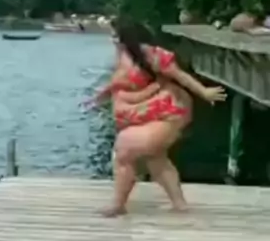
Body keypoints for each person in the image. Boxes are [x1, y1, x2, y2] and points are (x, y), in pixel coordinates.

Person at [85, 16, 227, 216]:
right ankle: (179, 204)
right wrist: (101, 97)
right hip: (148, 111)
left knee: (124, 149)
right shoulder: (122, 54)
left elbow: (180, 76)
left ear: (125, 37)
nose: (112, 40)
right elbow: (119, 82)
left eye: (115, 35)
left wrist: (204, 92)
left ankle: (118, 205)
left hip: (168, 112)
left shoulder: (151, 55)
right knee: (156, 158)